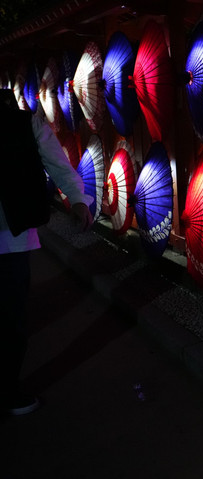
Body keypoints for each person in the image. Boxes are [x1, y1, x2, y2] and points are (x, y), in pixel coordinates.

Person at [1, 88, 92, 416]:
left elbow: (57, 163)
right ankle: (9, 391)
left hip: (11, 236)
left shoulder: (27, 123)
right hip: (11, 236)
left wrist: (77, 198)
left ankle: (8, 389)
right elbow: (57, 162)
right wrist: (77, 199)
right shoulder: (25, 123)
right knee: (11, 317)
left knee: (11, 317)